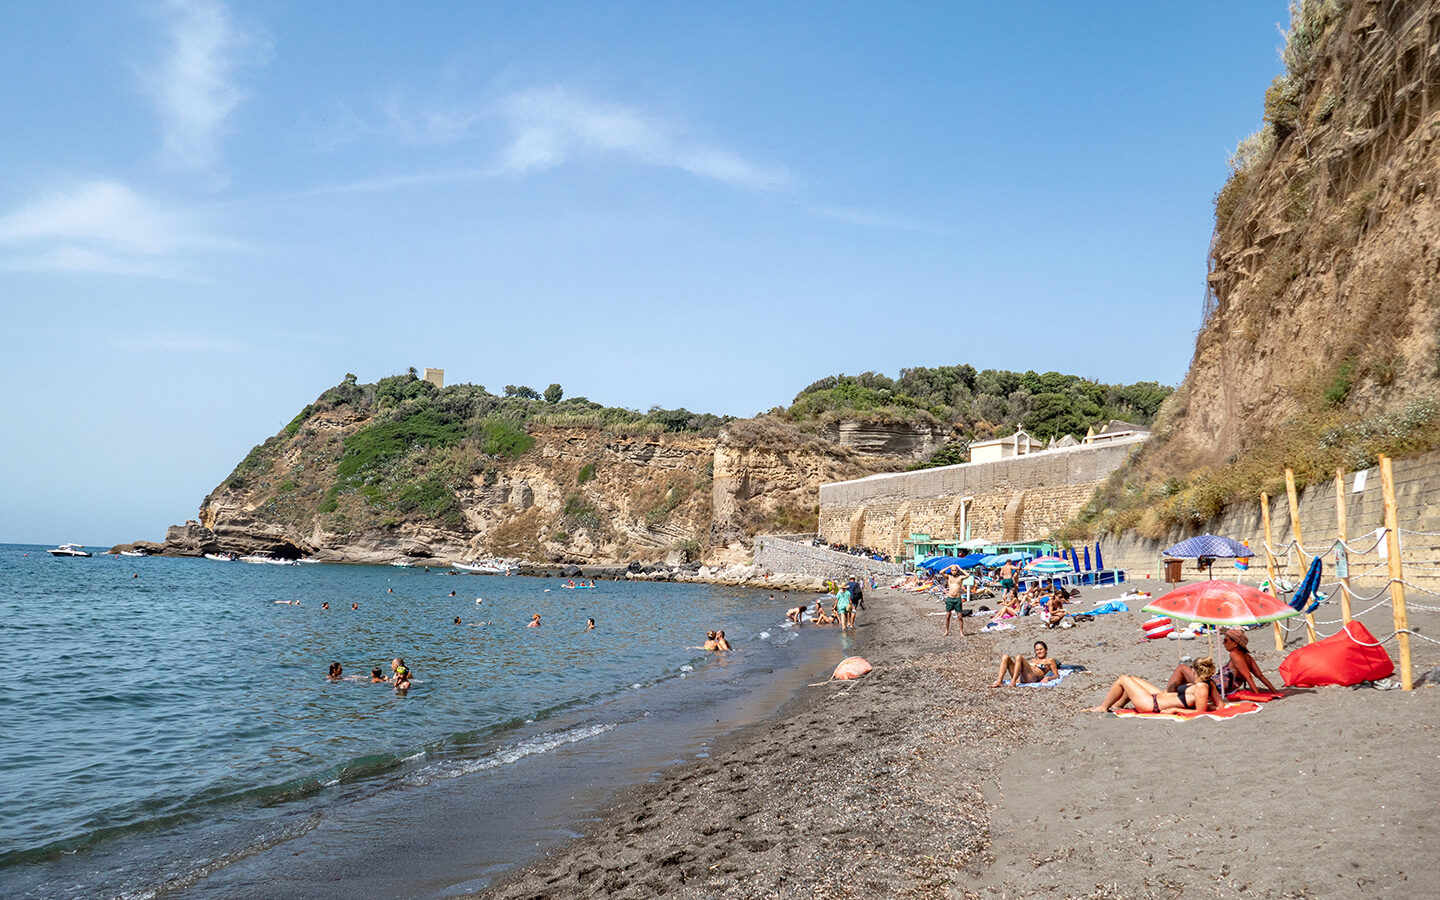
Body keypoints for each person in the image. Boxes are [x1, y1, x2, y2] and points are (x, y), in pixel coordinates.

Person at [1087, 658, 1223, 713]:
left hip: (1152, 705)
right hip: (1158, 699)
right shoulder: (1203, 684)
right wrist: (1211, 706)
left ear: (1194, 671)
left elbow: (1199, 712)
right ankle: (1117, 706)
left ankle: (1103, 707)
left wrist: (1175, 709)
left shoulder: (1201, 688)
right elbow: (1212, 706)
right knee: (1132, 679)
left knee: (1123, 679)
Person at [991, 641, 1060, 687]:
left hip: (1032, 678)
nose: (1039, 652)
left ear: (1046, 650)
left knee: (1019, 657)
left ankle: (1013, 682)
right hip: (1020, 677)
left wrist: (1048, 677)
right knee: (1005, 657)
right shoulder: (1033, 660)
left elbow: (1057, 676)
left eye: (1041, 649)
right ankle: (999, 681)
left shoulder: (1050, 660)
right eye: (1037, 650)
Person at [940, 564, 967, 637]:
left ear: (957, 570)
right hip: (950, 598)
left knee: (960, 617)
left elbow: (967, 575)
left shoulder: (960, 577)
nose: (953, 572)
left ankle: (961, 632)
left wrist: (959, 568)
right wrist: (949, 567)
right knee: (948, 615)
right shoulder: (949, 577)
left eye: (955, 570)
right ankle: (946, 631)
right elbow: (941, 572)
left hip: (957, 598)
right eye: (952, 570)